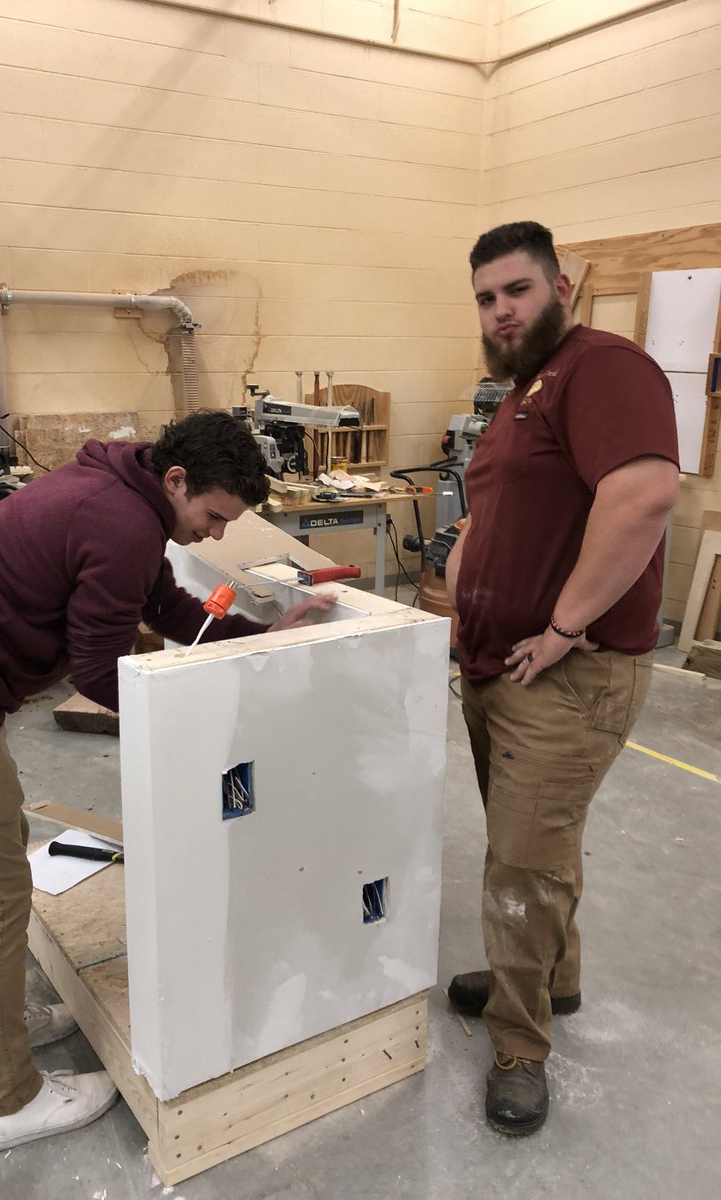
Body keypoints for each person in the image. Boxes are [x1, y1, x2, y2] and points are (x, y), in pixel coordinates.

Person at [0, 410, 336, 1151]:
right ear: (175, 481)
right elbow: (101, 670)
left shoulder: (119, 498)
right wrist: (197, 726)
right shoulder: (120, 523)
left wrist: (263, 638)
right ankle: (7, 1100)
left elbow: (164, 608)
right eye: (213, 515)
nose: (216, 535)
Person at [445, 221, 679, 1136]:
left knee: (519, 868)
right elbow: (487, 521)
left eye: (517, 291)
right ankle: (555, 978)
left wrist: (561, 626)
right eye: (486, 298)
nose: (500, 311)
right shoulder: (519, 397)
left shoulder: (605, 370)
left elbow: (644, 496)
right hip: (498, 666)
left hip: (566, 677)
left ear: (561, 290)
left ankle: (520, 1043)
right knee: (537, 848)